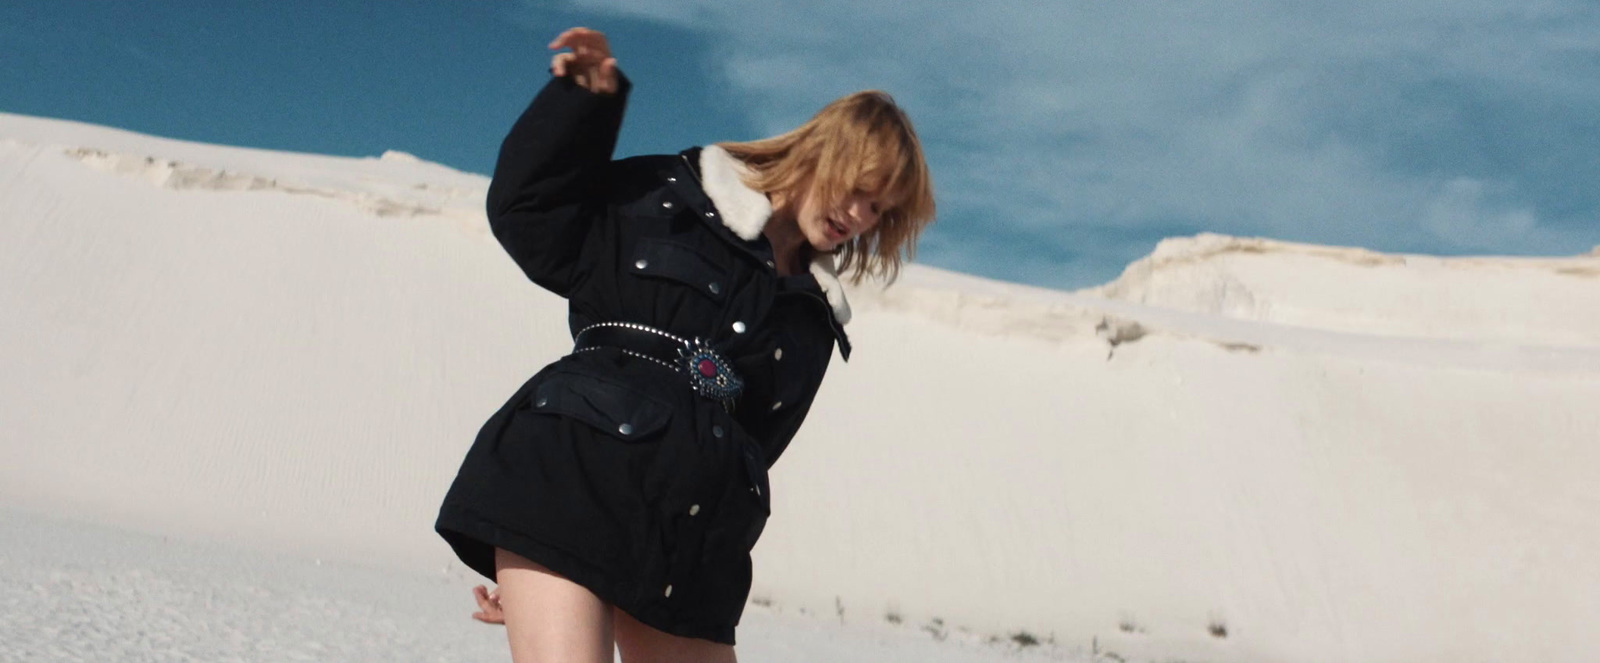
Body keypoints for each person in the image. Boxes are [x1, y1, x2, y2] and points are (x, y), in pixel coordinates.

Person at [435, 26, 935, 662]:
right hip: (569, 482)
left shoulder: (813, 319)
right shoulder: (674, 195)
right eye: (859, 188)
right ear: (821, 152)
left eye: (881, 209)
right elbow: (529, 215)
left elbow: (756, 445)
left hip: (690, 545)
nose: (861, 216)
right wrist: (583, 105)